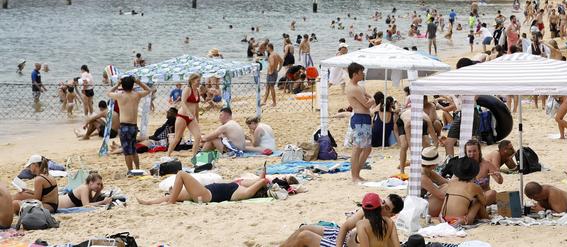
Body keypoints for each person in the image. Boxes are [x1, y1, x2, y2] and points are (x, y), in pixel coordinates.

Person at [280, 194, 404, 247]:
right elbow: (345, 227)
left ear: (392, 214)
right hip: (341, 237)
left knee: (304, 236)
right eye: (383, 202)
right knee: (304, 228)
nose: (381, 206)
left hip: (347, 244)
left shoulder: (387, 226)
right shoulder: (371, 207)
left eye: (386, 207)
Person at [137, 170, 268, 206]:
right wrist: (261, 177)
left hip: (205, 196)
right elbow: (258, 180)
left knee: (181, 174)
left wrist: (262, 181)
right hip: (204, 192)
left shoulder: (244, 193)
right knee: (174, 195)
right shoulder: (242, 186)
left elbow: (261, 182)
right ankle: (149, 202)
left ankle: (171, 202)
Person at [107, 75, 151, 172]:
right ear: (132, 85)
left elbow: (108, 93)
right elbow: (148, 90)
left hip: (124, 126)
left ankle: (130, 170)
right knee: (133, 149)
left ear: (123, 86)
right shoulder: (136, 95)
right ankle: (138, 168)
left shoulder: (120, 95)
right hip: (134, 126)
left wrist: (117, 84)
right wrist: (139, 82)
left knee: (127, 151)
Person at [346, 62, 375, 183]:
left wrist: (371, 99)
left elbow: (368, 97)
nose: (363, 74)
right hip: (359, 118)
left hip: (365, 118)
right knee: (357, 148)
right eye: (361, 72)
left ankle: (357, 173)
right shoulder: (353, 88)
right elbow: (367, 103)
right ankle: (354, 176)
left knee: (367, 148)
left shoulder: (359, 87)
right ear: (355, 74)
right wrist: (373, 99)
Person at [438, 156, 487, 226]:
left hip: (444, 219)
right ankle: (487, 219)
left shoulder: (451, 183)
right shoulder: (474, 186)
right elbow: (484, 202)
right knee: (477, 201)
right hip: (460, 221)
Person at [167, 74, 202, 157]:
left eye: (199, 81)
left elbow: (196, 105)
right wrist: (189, 113)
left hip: (192, 118)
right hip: (182, 116)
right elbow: (182, 102)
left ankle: (194, 156)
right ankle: (168, 155)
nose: (199, 83)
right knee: (177, 138)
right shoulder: (187, 89)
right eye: (198, 81)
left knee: (198, 136)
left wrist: (197, 118)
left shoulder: (197, 91)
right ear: (192, 80)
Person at [463, 139, 502, 205]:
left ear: (479, 151)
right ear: (466, 153)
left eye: (474, 151)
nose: (472, 154)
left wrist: (499, 177)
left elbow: (500, 181)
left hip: (484, 196)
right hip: (468, 197)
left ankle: (476, 207)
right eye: (469, 151)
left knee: (492, 193)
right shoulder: (463, 166)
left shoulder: (487, 164)